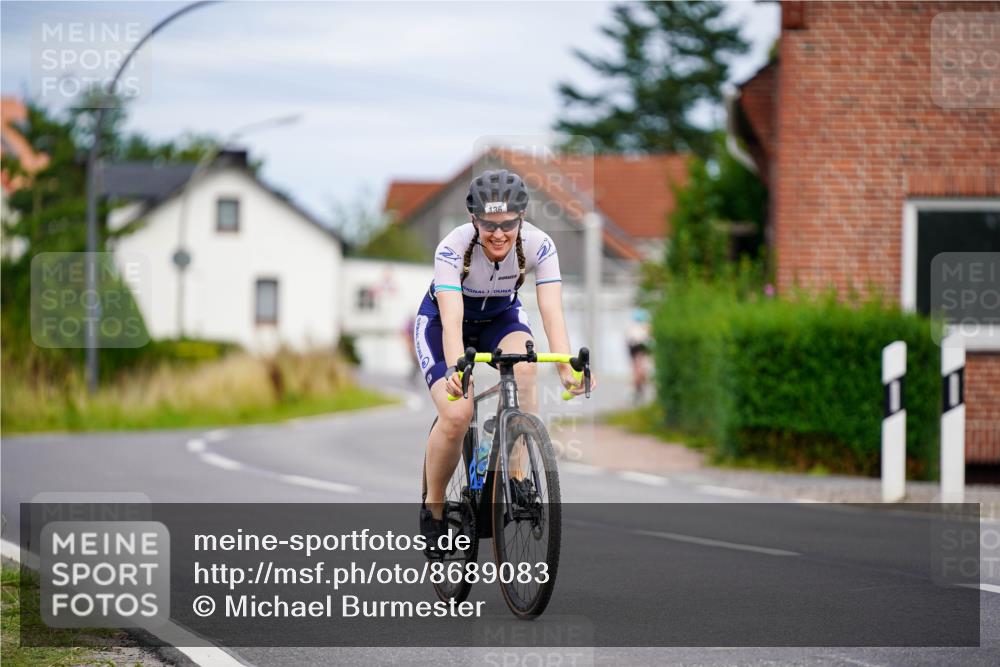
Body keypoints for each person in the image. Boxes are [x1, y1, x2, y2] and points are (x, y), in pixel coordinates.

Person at [413, 169, 593, 557]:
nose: (499, 234)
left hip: (500, 319)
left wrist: (565, 367)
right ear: (473, 219)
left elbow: (552, 313)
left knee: (527, 367)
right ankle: (435, 507)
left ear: (522, 218)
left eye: (508, 224)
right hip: (445, 322)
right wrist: (454, 371)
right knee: (458, 414)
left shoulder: (540, 245)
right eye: (489, 225)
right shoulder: (452, 248)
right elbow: (452, 317)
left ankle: (516, 476)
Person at [625, 308, 652, 405]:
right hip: (638, 347)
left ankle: (637, 389)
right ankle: (637, 390)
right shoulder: (644, 326)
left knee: (638, 370)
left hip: (636, 348)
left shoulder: (635, 326)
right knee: (639, 370)